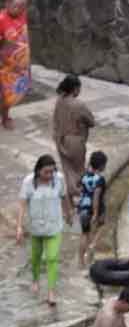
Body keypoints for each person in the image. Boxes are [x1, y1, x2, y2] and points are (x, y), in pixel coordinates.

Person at [16, 155, 70, 305]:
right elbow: (22, 204)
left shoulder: (58, 179)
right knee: (36, 257)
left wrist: (68, 213)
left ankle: (51, 292)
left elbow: (64, 196)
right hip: (36, 227)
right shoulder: (28, 182)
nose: (49, 175)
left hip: (54, 226)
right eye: (46, 172)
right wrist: (19, 226)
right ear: (38, 171)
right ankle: (35, 280)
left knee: (52, 258)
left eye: (52, 172)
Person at [52, 74, 95, 214]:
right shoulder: (78, 105)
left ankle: (70, 203)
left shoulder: (59, 101)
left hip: (60, 139)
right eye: (79, 88)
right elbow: (91, 121)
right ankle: (82, 200)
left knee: (68, 171)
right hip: (75, 140)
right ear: (75, 88)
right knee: (79, 171)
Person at [0, 0, 31, 129]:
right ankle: (5, 118)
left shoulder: (21, 14)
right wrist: (11, 64)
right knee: (4, 93)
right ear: (7, 4)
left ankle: (6, 115)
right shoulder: (1, 19)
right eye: (16, 6)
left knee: (13, 93)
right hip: (6, 64)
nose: (20, 9)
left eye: (22, 7)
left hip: (21, 64)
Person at [77, 151, 108, 267]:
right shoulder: (100, 179)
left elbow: (80, 190)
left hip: (83, 208)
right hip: (94, 208)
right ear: (102, 166)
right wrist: (95, 213)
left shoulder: (85, 176)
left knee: (84, 233)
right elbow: (96, 196)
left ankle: (81, 261)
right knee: (101, 226)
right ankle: (92, 246)